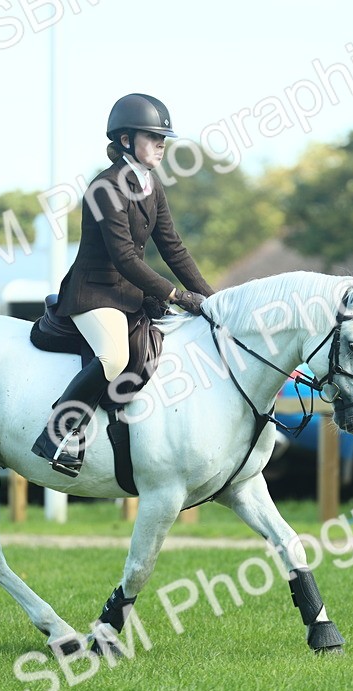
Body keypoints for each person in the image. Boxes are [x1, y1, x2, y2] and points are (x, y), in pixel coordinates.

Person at [31, 93, 215, 476]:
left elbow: (173, 247)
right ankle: (59, 433)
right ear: (127, 140)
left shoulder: (152, 185)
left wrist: (214, 300)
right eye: (153, 136)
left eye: (164, 137)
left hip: (128, 294)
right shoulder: (106, 188)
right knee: (113, 357)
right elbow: (125, 257)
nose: (162, 144)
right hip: (94, 293)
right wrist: (175, 295)